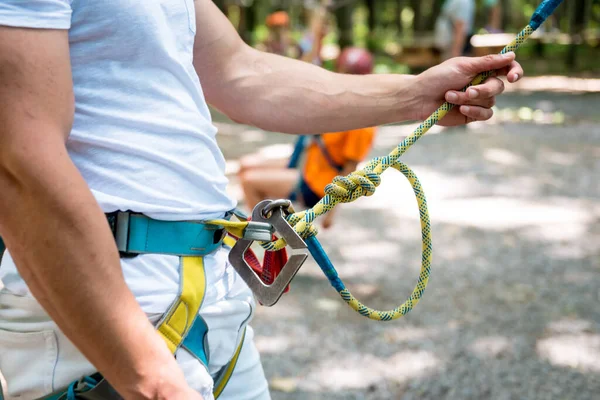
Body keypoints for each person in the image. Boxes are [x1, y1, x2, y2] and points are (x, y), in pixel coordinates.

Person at [0, 0, 523, 399]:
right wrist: (146, 375)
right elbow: (20, 163)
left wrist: (417, 94)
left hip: (217, 305)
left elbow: (239, 72)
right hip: (113, 314)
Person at [239, 47, 377, 229]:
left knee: (250, 182)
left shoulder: (363, 123)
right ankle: (269, 216)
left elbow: (350, 170)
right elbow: (309, 69)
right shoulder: (340, 101)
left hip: (315, 183)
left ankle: (266, 238)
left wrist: (331, 211)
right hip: (306, 163)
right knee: (244, 165)